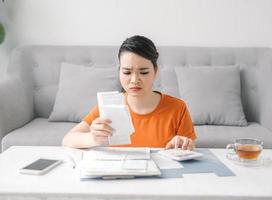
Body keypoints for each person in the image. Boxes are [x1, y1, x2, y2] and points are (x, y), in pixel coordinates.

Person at [62, 35, 197, 150]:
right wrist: (92, 138)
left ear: (156, 71)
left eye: (143, 72)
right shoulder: (109, 107)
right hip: (119, 178)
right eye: (127, 72)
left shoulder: (178, 108)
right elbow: (67, 139)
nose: (134, 80)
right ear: (119, 71)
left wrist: (184, 144)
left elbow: (191, 148)